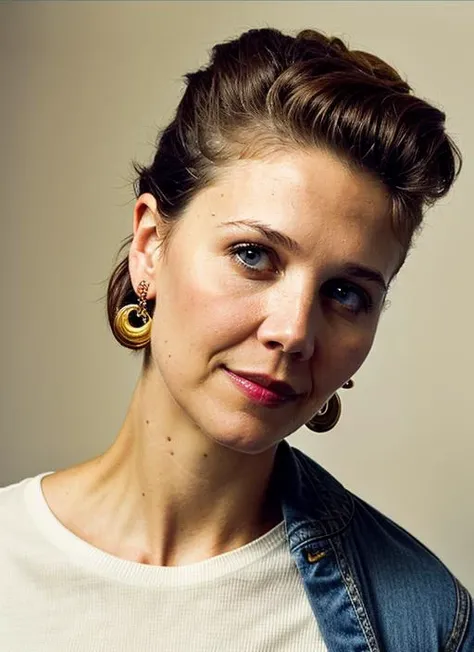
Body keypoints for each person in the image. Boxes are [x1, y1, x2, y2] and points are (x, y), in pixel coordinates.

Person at [0, 26, 472, 652]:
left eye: (345, 293)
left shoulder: (424, 621)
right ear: (150, 246)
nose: (293, 332)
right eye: (253, 255)